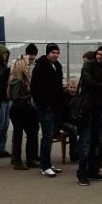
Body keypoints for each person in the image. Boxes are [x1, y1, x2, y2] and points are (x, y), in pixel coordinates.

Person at [76, 44, 102, 186]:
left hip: (101, 109)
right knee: (86, 140)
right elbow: (88, 82)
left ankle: (93, 169)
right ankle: (82, 173)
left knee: (97, 139)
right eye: (98, 53)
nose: (99, 56)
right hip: (87, 108)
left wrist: (100, 86)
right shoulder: (88, 66)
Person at [30, 43, 65, 177]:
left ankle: (48, 164)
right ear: (48, 53)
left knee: (50, 136)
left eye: (57, 53)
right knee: (47, 136)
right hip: (45, 108)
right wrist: (43, 104)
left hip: (54, 107)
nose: (56, 55)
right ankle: (44, 166)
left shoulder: (57, 67)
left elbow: (59, 88)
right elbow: (34, 89)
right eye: (53, 53)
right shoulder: (40, 67)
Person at [7, 58, 39, 170]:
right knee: (20, 136)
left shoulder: (20, 79)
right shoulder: (19, 80)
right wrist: (30, 96)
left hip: (22, 110)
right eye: (25, 66)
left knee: (27, 135)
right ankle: (19, 161)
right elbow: (16, 98)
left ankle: (27, 159)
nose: (28, 67)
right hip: (20, 110)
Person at [60, 78, 80, 162]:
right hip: (63, 121)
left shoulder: (79, 98)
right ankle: (74, 154)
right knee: (73, 129)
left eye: (74, 87)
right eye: (71, 87)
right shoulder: (63, 97)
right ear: (68, 87)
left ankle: (82, 152)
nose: (72, 89)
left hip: (74, 120)